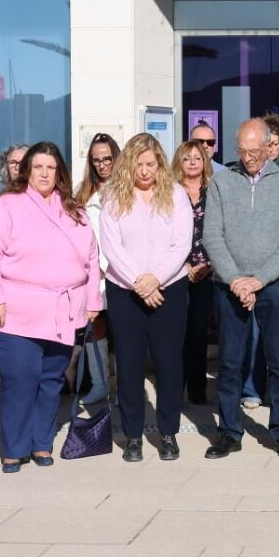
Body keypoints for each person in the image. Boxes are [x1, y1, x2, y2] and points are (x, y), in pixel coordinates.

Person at [0, 142, 102, 472]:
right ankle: (14, 447)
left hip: (63, 310)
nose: (45, 173)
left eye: (51, 167)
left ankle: (41, 443)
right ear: (27, 171)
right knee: (21, 378)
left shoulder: (75, 210)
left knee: (51, 379)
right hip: (15, 309)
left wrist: (93, 301)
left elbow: (91, 258)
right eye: (38, 167)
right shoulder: (8, 205)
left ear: (59, 171)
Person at [202, 118, 279, 460]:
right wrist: (235, 279)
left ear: (269, 146)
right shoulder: (221, 181)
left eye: (254, 150)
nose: (247, 157)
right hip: (229, 286)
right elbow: (212, 236)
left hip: (275, 285)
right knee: (230, 363)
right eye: (242, 150)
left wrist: (259, 279)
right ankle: (229, 432)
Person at [100, 133, 193, 462]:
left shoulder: (176, 194)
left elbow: (182, 243)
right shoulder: (113, 197)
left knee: (169, 364)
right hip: (126, 290)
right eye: (138, 164)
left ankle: (168, 433)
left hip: (169, 287)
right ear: (129, 164)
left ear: (160, 164)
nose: (145, 170)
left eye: (151, 164)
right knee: (128, 365)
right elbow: (111, 246)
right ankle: (133, 436)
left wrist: (156, 279)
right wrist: (140, 281)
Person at [74, 134, 118, 410]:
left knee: (125, 332)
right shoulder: (83, 192)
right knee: (94, 327)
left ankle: (126, 389)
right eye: (96, 160)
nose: (102, 165)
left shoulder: (129, 189)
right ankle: (101, 385)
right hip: (92, 273)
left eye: (107, 159)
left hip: (121, 271)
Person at [172, 140, 215, 406]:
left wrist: (207, 264)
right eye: (186, 158)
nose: (192, 162)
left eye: (197, 158)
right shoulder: (170, 192)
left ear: (204, 161)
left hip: (206, 271)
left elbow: (222, 229)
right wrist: (182, 265)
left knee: (199, 332)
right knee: (177, 334)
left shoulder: (215, 191)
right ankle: (176, 388)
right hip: (176, 271)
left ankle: (198, 389)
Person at [0, 144, 27, 219]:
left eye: (23, 163)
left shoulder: (42, 200)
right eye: (13, 162)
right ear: (6, 167)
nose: (18, 167)